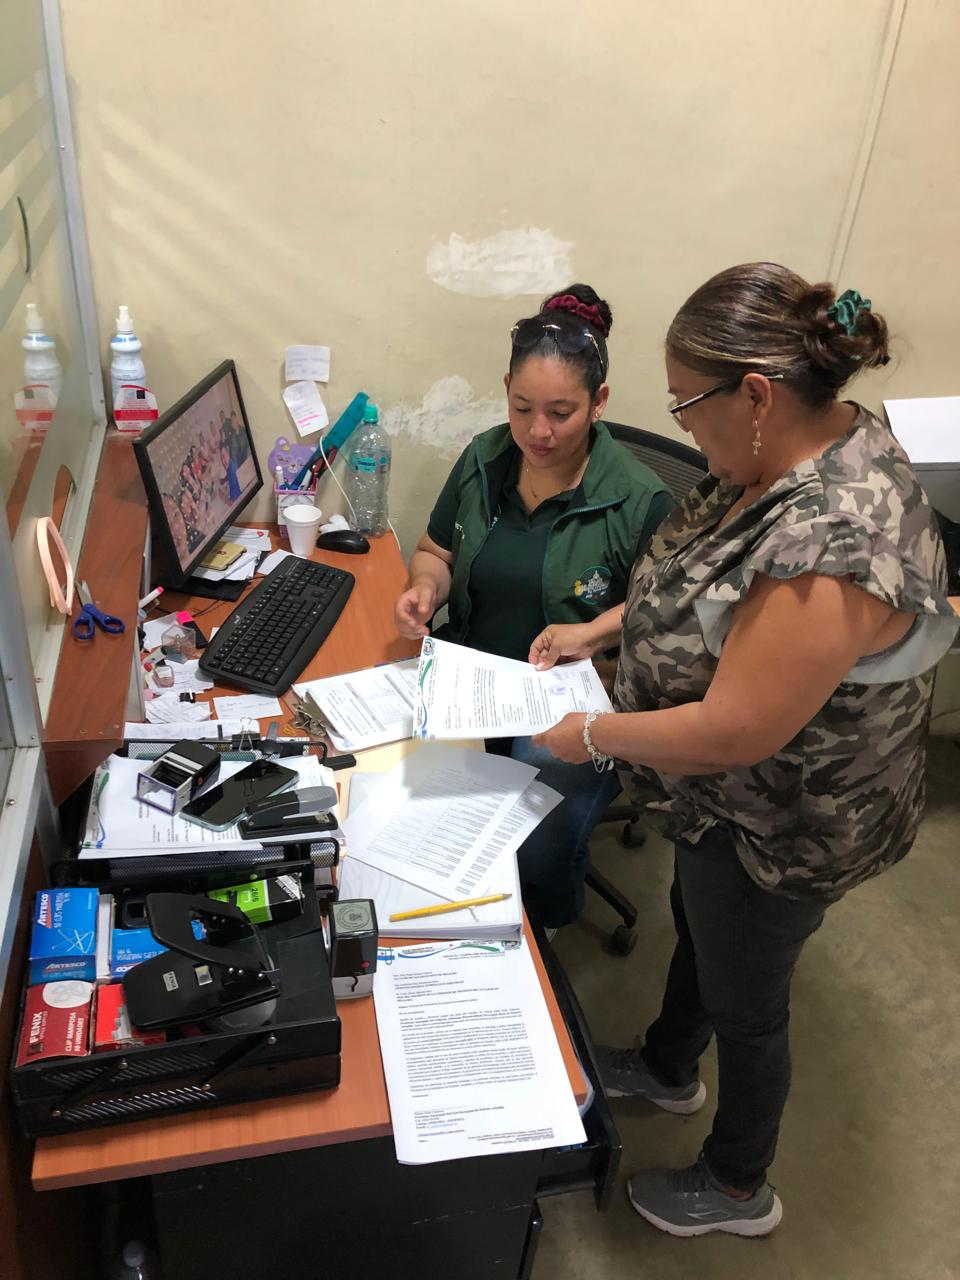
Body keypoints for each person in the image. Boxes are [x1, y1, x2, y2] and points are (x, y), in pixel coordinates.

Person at [530, 263, 958, 1236]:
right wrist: (603, 630)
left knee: (750, 1002)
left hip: (788, 818)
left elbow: (735, 729)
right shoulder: (802, 445)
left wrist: (588, 732)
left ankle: (736, 1184)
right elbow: (702, 579)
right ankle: (670, 1064)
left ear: (756, 395)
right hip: (724, 806)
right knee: (702, 925)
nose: (684, 427)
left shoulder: (831, 541)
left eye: (688, 404)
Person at [395, 284, 675, 927]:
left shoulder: (640, 500)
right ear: (506, 391)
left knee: (535, 805)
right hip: (473, 678)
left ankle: (540, 927)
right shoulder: (484, 458)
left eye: (561, 412)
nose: (537, 431)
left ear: (599, 402)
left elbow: (664, 615)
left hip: (574, 699)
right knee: (406, 795)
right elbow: (435, 549)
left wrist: (594, 630)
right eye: (522, 408)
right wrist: (425, 588)